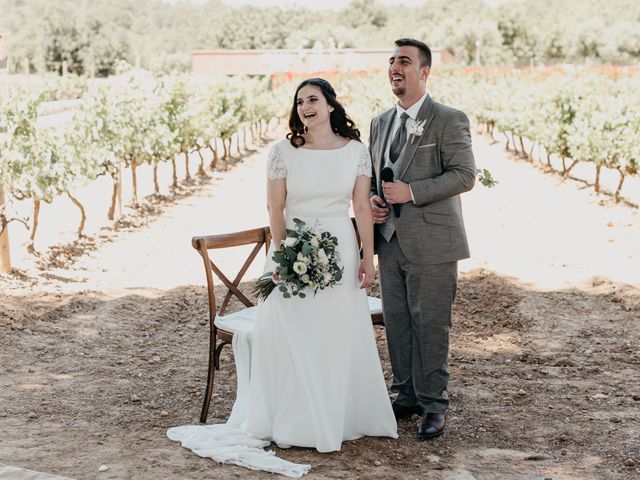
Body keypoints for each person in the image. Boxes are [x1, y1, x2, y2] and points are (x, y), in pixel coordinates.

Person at [168, 78, 397, 477]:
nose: (306, 106)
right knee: (296, 331)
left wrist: (367, 255)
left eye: (314, 99)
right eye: (300, 101)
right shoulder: (282, 152)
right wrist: (283, 255)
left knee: (337, 331)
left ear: (330, 106)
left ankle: (340, 416)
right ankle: (297, 418)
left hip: (341, 249)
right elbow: (275, 209)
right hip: (292, 250)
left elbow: (361, 205)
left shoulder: (357, 153)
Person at [369, 38, 476, 440]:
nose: (395, 67)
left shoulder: (449, 119)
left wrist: (412, 192)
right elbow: (376, 179)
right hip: (389, 242)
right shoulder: (380, 123)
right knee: (397, 322)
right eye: (392, 60)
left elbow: (465, 174)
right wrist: (375, 201)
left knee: (431, 323)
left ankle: (434, 404)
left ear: (424, 71)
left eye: (404, 61)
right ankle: (407, 395)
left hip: (433, 241)